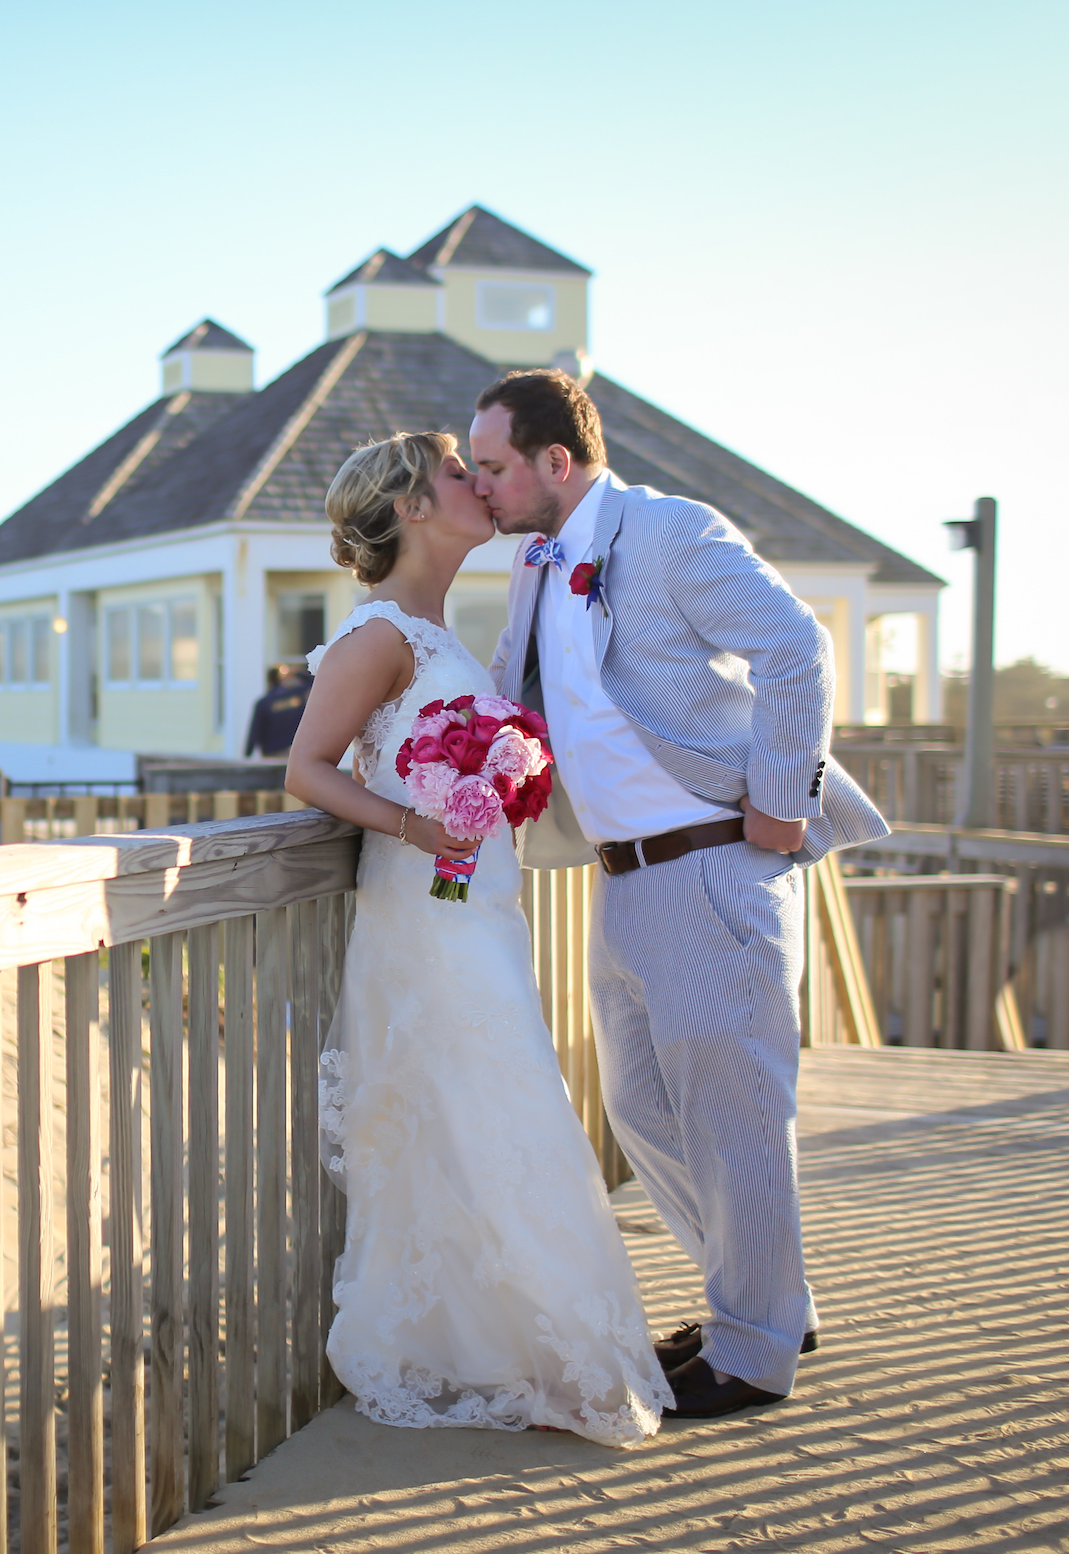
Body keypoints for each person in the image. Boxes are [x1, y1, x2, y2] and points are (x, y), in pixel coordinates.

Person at [470, 369, 889, 1420]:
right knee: (644, 1108)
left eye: (493, 465)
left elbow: (799, 648)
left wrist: (785, 803)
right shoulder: (536, 562)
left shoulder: (666, 533)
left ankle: (753, 1352)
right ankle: (767, 1301)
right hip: (621, 878)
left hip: (709, 865)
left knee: (734, 1111)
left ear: (555, 462)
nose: (482, 485)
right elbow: (525, 703)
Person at [284, 430, 671, 1448]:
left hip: (478, 910)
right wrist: (421, 826)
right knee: (495, 1109)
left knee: (488, 1113)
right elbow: (309, 769)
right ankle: (544, 1356)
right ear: (413, 506)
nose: (481, 484)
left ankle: (493, 1347)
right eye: (461, 472)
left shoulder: (447, 631)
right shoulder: (381, 638)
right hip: (424, 914)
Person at [244, 663, 314, 757]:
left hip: (271, 753)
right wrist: (296, 672)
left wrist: (247, 755)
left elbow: (255, 731)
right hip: (294, 751)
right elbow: (313, 682)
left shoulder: (264, 703)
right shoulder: (298, 696)